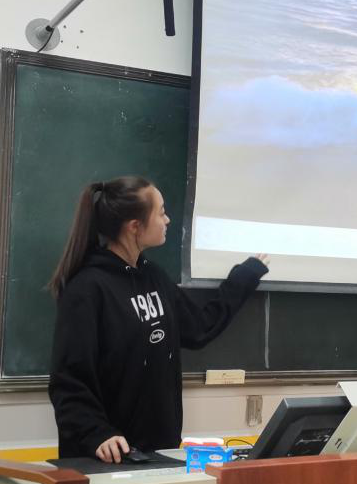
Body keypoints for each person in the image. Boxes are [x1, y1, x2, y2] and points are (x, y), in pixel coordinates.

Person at [46, 175, 268, 462]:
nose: (167, 220)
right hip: (108, 456)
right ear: (135, 226)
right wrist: (96, 433)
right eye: (161, 213)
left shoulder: (153, 277)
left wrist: (244, 276)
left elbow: (199, 328)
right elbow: (68, 379)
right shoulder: (87, 288)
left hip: (160, 450)